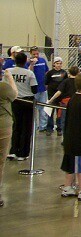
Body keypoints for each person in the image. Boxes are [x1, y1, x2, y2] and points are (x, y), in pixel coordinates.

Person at [6, 52, 38, 161]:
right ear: (25, 61)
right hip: (27, 101)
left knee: (16, 126)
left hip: (14, 100)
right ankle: (23, 153)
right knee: (26, 127)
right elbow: (34, 89)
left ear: (15, 61)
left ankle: (13, 150)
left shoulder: (9, 71)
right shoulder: (29, 73)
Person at [0, 67, 18, 207]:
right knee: (1, 159)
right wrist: (10, 78)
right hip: (2, 126)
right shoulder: (3, 87)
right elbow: (15, 95)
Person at [48, 66, 79, 134]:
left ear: (69, 72)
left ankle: (65, 135)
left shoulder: (65, 81)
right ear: (78, 73)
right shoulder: (79, 82)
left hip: (66, 103)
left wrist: (51, 100)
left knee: (64, 120)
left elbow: (59, 92)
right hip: (76, 102)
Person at [27, 47, 49, 132]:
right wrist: (32, 64)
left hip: (42, 88)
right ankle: (33, 126)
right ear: (30, 54)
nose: (36, 55)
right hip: (33, 88)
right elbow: (29, 73)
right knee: (33, 108)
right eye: (34, 54)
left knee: (43, 108)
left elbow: (46, 71)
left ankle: (42, 126)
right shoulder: (28, 62)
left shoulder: (42, 60)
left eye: (37, 54)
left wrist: (46, 83)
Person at [45, 57, 66, 136]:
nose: (59, 65)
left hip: (60, 96)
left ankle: (59, 128)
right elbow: (46, 83)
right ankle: (49, 128)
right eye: (57, 63)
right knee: (50, 112)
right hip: (51, 95)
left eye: (60, 64)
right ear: (54, 64)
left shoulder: (64, 73)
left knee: (59, 113)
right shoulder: (50, 73)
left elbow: (65, 83)